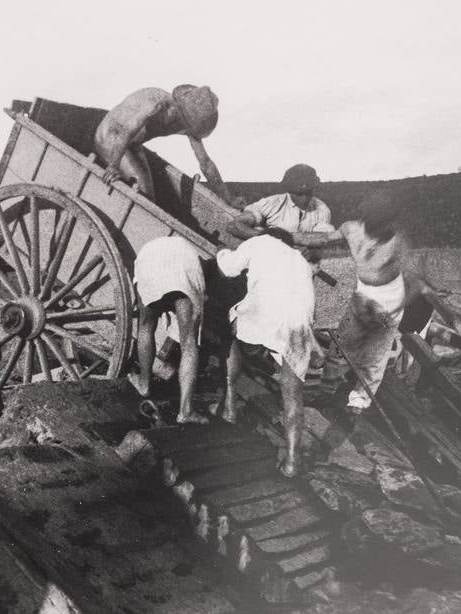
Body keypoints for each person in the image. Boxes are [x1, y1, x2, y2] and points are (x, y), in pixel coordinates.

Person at [215, 228, 319, 477]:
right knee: (293, 394)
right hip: (299, 326)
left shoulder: (260, 241)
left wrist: (222, 253)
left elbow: (228, 268)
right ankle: (293, 461)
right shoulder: (301, 261)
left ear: (269, 235)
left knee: (229, 329)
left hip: (265, 315)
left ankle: (229, 406)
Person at [306, 193, 410, 412]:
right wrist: (290, 238)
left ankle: (357, 401)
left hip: (385, 302)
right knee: (344, 348)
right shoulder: (354, 229)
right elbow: (324, 239)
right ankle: (333, 393)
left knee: (372, 356)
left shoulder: (394, 240)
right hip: (366, 298)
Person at [94, 86, 236, 204]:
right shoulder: (156, 105)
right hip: (111, 137)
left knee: (148, 196)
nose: (181, 127)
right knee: (145, 198)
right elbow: (126, 131)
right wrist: (113, 165)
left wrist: (229, 199)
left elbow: (206, 163)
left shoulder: (189, 124)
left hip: (131, 145)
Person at [129, 235, 213, 424]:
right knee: (189, 344)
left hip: (149, 268)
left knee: (146, 326)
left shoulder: (149, 248)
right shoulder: (192, 257)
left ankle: (144, 384)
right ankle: (185, 411)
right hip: (183, 274)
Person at [227, 164, 334, 241]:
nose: (305, 198)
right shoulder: (272, 203)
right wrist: (268, 238)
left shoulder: (321, 209)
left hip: (299, 261)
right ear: (290, 190)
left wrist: (312, 249)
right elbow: (234, 225)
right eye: (299, 194)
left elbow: (322, 238)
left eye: (308, 192)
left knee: (329, 230)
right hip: (270, 254)